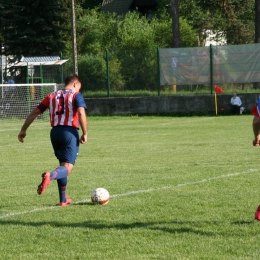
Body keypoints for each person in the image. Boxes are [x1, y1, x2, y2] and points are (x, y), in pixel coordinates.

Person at [18, 74, 88, 206]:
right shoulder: (76, 95)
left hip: (54, 133)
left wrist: (23, 130)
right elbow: (81, 112)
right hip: (69, 132)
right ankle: (50, 176)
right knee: (67, 168)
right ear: (75, 84)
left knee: (63, 165)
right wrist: (85, 132)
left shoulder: (51, 96)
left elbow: (35, 113)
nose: (79, 90)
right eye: (79, 87)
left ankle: (63, 199)